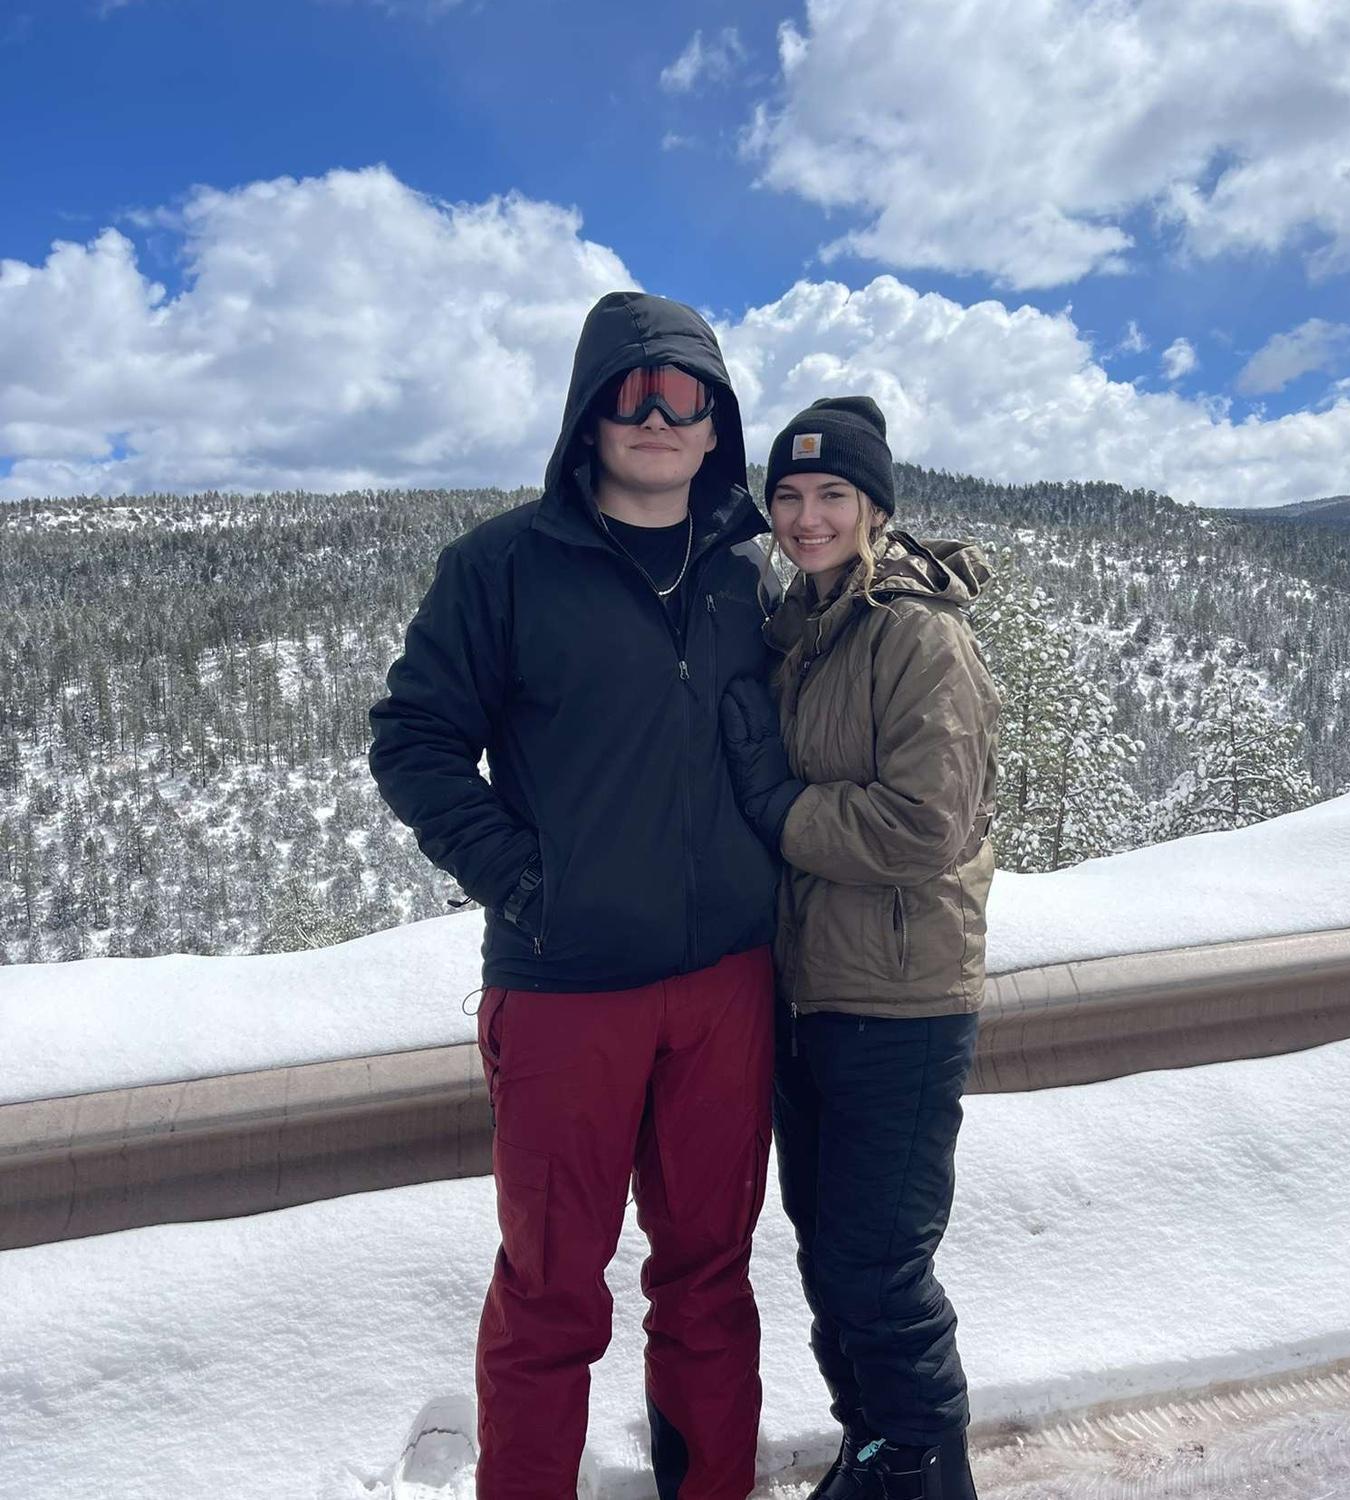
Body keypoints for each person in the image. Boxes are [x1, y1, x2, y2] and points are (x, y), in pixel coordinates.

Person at [368, 291, 781, 1500]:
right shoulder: (502, 568)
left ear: (716, 422)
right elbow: (413, 741)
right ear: (589, 413)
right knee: (550, 1293)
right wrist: (521, 881)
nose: (657, 415)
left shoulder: (748, 574)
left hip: (727, 982)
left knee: (709, 1276)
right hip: (565, 993)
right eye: (631, 391)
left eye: (684, 393)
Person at [719, 397, 1000, 1500]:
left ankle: (927, 1471)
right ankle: (874, 1453)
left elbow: (925, 824)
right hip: (811, 992)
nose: (807, 516)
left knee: (876, 1268)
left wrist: (778, 807)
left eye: (832, 493)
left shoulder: (918, 636)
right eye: (788, 496)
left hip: (903, 998)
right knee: (830, 1257)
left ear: (875, 507)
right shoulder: (800, 627)